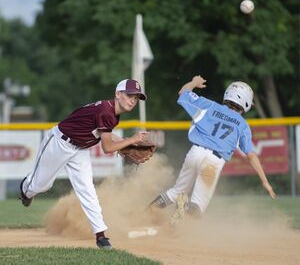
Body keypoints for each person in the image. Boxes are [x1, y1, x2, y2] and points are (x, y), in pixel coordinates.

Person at [19, 79, 149, 249]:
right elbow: (107, 147)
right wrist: (132, 139)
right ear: (118, 94)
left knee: (87, 190)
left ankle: (101, 235)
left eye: (136, 97)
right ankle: (26, 188)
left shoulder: (111, 113)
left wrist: (124, 141)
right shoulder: (106, 111)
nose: (133, 100)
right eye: (130, 95)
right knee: (41, 185)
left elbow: (105, 134)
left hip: (80, 149)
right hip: (59, 143)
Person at [149, 75, 276, 226]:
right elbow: (251, 156)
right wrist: (265, 181)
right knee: (197, 208)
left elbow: (183, 93)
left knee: (176, 192)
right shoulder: (242, 125)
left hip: (194, 152)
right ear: (246, 104)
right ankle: (181, 214)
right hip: (213, 162)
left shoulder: (208, 105)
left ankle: (145, 214)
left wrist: (194, 82)